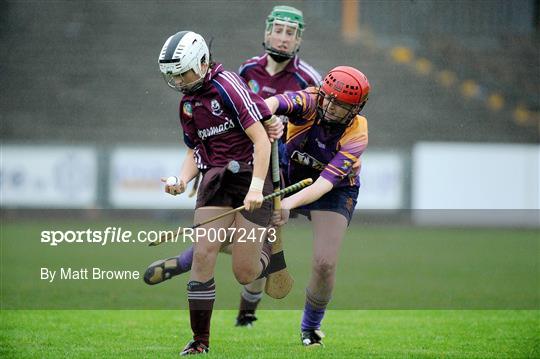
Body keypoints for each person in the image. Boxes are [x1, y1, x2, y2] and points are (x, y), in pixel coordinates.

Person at [145, 5, 321, 329]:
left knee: (245, 264)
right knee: (217, 246)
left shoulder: (309, 78)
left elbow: (312, 125)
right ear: (267, 32)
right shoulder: (245, 71)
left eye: (289, 33)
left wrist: (277, 138)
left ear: (298, 39)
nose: (282, 39)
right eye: (277, 30)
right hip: (231, 167)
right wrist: (184, 179)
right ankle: (220, 326)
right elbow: (219, 129)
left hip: (279, 167)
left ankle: (244, 305)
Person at [154, 30, 279, 355]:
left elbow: (262, 140)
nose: (179, 81)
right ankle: (200, 341)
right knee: (204, 253)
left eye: (183, 72)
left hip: (253, 174)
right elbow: (195, 150)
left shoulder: (228, 86)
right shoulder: (187, 105)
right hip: (215, 180)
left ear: (202, 62)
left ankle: (267, 252)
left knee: (245, 272)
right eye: (173, 76)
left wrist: (255, 188)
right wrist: (181, 180)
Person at [267, 65, 370, 346]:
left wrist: (286, 204)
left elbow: (322, 185)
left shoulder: (357, 133)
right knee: (242, 238)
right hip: (289, 174)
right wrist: (265, 117)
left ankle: (310, 328)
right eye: (329, 98)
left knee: (325, 263)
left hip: (334, 190)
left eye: (341, 105)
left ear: (356, 109)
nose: (332, 106)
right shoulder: (310, 100)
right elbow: (275, 102)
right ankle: (192, 258)